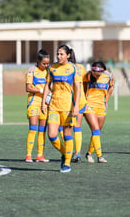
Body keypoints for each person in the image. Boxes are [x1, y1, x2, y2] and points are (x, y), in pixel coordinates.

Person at [42, 45, 81, 173]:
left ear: (68, 55)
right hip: (53, 106)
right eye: (57, 54)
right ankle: (65, 153)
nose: (59, 56)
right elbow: (47, 86)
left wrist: (76, 107)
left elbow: (77, 89)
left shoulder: (73, 68)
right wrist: (43, 103)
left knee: (67, 134)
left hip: (67, 107)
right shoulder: (52, 68)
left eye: (61, 54)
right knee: (52, 135)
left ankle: (67, 163)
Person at [83, 61, 114, 163]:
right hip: (89, 106)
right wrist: (83, 102)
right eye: (94, 73)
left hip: (101, 107)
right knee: (95, 130)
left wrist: (106, 100)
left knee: (97, 132)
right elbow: (82, 89)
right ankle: (100, 156)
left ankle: (89, 153)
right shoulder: (87, 75)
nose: (96, 76)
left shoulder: (108, 76)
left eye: (98, 74)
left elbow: (111, 87)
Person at [25, 49, 50, 163]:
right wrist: (41, 90)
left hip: (45, 103)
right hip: (34, 102)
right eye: (44, 63)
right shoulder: (31, 71)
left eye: (47, 63)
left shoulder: (49, 72)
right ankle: (29, 155)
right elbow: (28, 88)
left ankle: (40, 155)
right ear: (38, 61)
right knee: (33, 129)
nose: (46, 65)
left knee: (42, 130)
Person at [68, 50, 87, 163]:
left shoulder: (66, 68)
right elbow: (84, 84)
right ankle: (77, 154)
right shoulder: (81, 67)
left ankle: (68, 152)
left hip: (69, 101)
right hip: (81, 100)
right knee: (77, 127)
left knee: (65, 128)